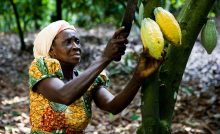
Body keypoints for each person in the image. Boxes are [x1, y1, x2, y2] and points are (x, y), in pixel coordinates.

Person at [28, 20, 163, 134]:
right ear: (51, 50)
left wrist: (138, 76)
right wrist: (105, 57)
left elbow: (113, 106)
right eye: (68, 42)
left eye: (77, 41)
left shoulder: (88, 80)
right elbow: (64, 95)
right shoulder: (40, 68)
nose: (76, 47)